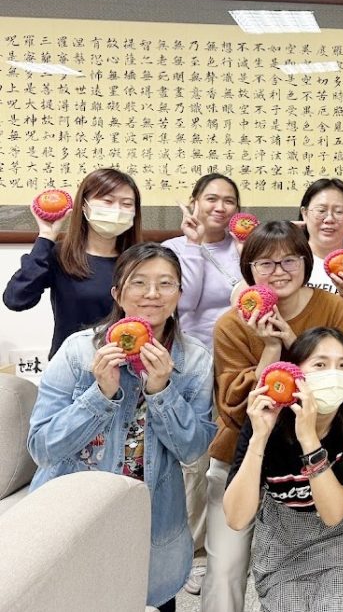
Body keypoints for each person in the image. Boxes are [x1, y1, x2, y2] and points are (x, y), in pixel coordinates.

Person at [27, 242, 216, 612]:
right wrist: (100, 394)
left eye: (165, 283)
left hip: (150, 516)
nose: (152, 294)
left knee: (149, 595)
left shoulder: (194, 360)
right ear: (117, 293)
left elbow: (193, 451)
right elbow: (42, 448)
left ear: (179, 294)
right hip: (73, 512)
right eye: (139, 282)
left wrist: (162, 391)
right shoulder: (79, 352)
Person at [203, 220, 343, 612]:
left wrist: (292, 341)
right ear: (249, 270)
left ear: (306, 262)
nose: (278, 271)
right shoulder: (230, 325)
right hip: (243, 453)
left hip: (312, 455)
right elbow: (234, 409)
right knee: (225, 568)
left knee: (312, 567)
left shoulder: (330, 307)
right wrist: (271, 350)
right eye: (265, 263)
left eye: (289, 260)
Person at [223, 327, 343, 612]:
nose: (333, 374)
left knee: (335, 606)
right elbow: (236, 518)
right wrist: (259, 437)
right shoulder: (265, 416)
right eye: (320, 364)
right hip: (284, 535)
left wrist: (309, 439)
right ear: (294, 372)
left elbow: (334, 514)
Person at [163, 172, 243, 595]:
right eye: (211, 198)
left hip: (237, 362)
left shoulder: (244, 247)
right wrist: (194, 247)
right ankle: (193, 552)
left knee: (231, 455)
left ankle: (230, 542)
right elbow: (185, 302)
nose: (220, 207)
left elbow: (256, 298)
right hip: (191, 363)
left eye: (229, 200)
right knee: (193, 459)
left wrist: (247, 254)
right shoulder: (173, 250)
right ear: (193, 201)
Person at [4, 167, 142, 359]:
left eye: (127, 204)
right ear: (84, 205)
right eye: (107, 201)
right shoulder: (61, 256)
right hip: (70, 365)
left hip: (126, 365)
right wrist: (46, 237)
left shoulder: (140, 261)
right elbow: (16, 299)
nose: (117, 210)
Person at [299, 177, 343, 345]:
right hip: (291, 359)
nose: (329, 219)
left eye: (339, 212)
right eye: (321, 210)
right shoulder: (286, 261)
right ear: (305, 213)